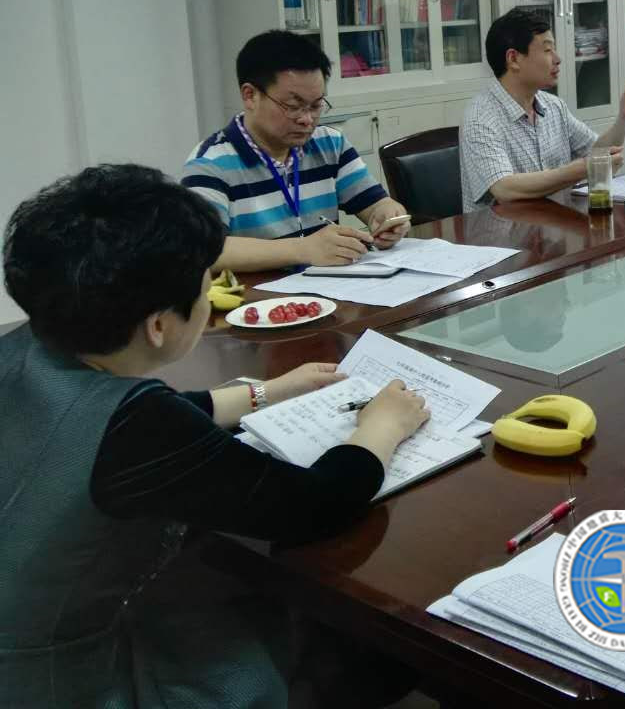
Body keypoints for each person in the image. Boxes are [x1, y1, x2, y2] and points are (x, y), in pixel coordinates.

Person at [0, 165, 430, 707]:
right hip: (56, 681)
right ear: (160, 325)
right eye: (206, 288)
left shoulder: (26, 346)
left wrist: (265, 392)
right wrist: (381, 428)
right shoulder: (140, 428)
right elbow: (313, 505)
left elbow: (105, 421)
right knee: (326, 647)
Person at [182, 30, 411, 272]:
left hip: (330, 287)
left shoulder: (330, 144)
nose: (307, 119)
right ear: (250, 96)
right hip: (260, 294)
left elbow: (375, 204)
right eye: (293, 106)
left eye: (316, 105)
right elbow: (201, 249)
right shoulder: (211, 163)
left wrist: (387, 216)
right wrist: (303, 249)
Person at [461, 7, 625, 206]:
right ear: (513, 59)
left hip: (555, 221)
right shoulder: (481, 118)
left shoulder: (553, 106)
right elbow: (504, 188)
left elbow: (600, 155)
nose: (557, 59)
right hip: (502, 226)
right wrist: (580, 169)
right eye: (547, 50)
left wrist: (624, 118)